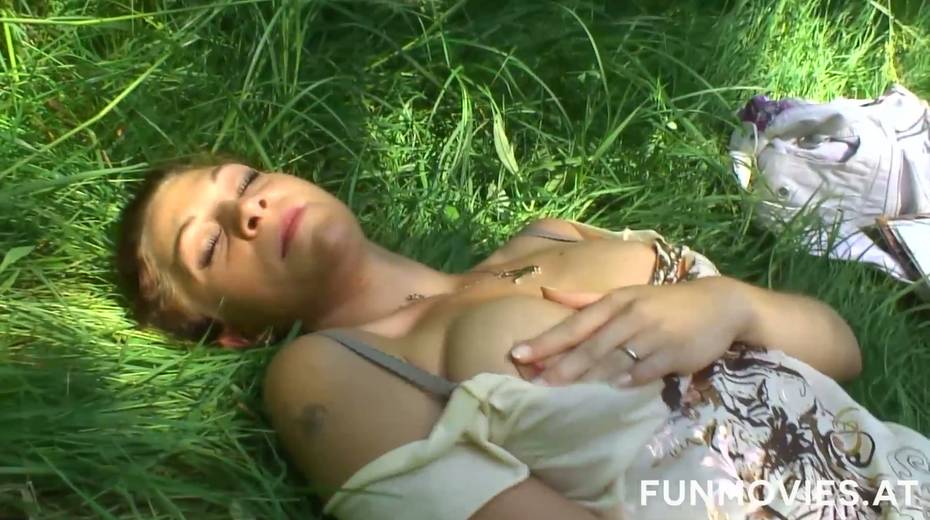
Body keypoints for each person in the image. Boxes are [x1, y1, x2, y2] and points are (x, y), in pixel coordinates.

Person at [116, 162, 930, 519]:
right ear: (234, 333)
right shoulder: (332, 370)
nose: (249, 209)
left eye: (246, 182)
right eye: (210, 245)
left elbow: (841, 352)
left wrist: (728, 305)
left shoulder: (551, 236)